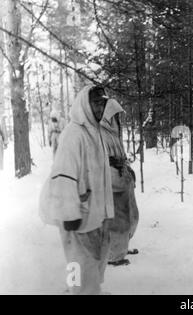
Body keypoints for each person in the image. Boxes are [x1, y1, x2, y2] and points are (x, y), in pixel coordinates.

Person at [39, 85, 114, 295]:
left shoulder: (95, 132)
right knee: (78, 263)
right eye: (96, 104)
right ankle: (78, 292)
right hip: (76, 214)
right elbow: (63, 175)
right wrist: (68, 213)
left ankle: (83, 290)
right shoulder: (73, 134)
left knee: (91, 263)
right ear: (84, 105)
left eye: (102, 104)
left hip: (93, 214)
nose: (100, 108)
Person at [100, 98, 139, 267]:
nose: (118, 118)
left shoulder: (113, 132)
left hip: (122, 176)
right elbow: (100, 158)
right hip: (112, 179)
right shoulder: (100, 132)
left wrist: (126, 167)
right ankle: (114, 255)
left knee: (132, 215)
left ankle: (122, 247)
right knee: (118, 220)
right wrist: (113, 164)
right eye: (115, 115)